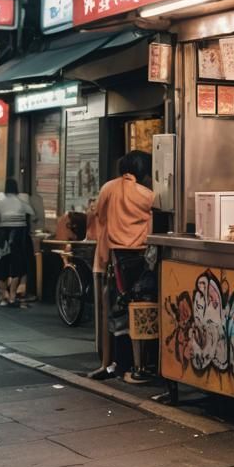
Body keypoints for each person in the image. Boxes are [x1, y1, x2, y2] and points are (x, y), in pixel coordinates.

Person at [88, 150, 155, 380]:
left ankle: (119, 364)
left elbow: (99, 216)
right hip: (142, 258)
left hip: (116, 258)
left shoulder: (108, 188)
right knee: (139, 310)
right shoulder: (148, 195)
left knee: (118, 312)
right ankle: (137, 366)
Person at [0, 179, 35, 308]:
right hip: (19, 233)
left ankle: (5, 296)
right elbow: (32, 212)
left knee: (0, 265)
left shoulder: (0, 197)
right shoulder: (22, 198)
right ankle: (13, 295)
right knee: (17, 265)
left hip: (2, 233)